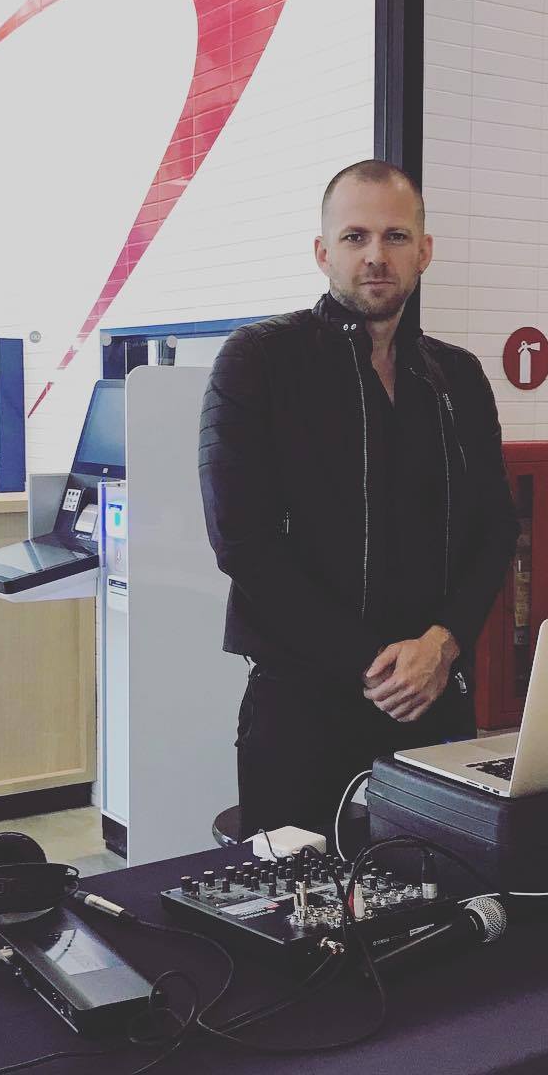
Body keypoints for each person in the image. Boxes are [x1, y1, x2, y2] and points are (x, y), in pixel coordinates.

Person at [199, 160, 519, 839]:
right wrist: (370, 664)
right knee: (299, 919)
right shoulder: (259, 361)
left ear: (424, 251)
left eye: (396, 237)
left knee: (439, 902)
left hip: (435, 699)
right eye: (355, 237)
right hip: (302, 708)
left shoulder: (455, 378)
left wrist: (443, 642)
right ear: (323, 252)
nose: (376, 256)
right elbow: (243, 542)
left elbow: (494, 528)